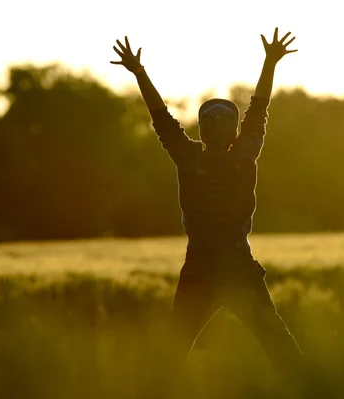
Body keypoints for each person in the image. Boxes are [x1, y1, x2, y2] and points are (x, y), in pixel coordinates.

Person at [111, 28, 303, 398]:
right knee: (279, 346)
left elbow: (160, 118)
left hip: (199, 267)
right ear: (234, 134)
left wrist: (138, 72)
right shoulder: (244, 156)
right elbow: (259, 111)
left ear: (200, 131)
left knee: (172, 356)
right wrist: (269, 61)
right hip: (238, 265)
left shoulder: (187, 157)